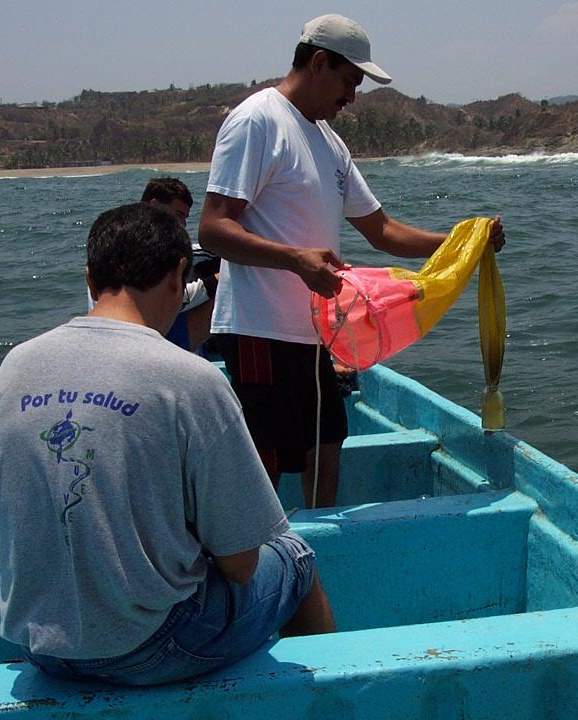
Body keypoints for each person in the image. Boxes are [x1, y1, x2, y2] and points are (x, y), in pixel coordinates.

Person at [0, 202, 335, 686]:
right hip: (150, 645)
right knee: (296, 558)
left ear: (90, 279)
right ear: (177, 277)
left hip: (41, 644)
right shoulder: (189, 379)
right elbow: (240, 564)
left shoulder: (13, 369)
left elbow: (6, 524)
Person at [199, 14, 504, 508]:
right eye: (349, 81)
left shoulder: (329, 141)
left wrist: (464, 241)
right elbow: (213, 227)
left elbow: (381, 231)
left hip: (318, 330)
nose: (352, 97)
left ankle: (317, 549)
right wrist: (295, 260)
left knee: (328, 438)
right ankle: (256, 563)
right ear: (319, 63)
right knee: (269, 454)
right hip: (260, 329)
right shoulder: (258, 119)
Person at [86, 177, 220, 352]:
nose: (183, 224)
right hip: (144, 342)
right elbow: (167, 298)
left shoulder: (110, 239)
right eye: (178, 215)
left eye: (185, 217)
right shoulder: (143, 249)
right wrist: (219, 280)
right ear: (154, 205)